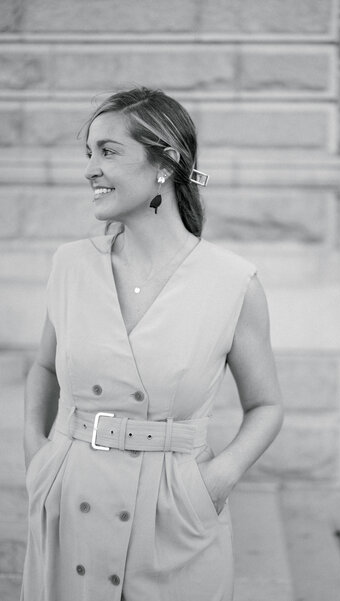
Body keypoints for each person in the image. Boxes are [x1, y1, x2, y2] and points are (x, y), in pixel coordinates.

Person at [21, 86, 284, 601]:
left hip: (175, 518)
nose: (91, 168)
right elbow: (45, 368)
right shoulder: (70, 266)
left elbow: (267, 405)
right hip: (70, 502)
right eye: (89, 153)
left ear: (165, 162)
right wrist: (39, 461)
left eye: (109, 151)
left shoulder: (233, 282)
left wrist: (214, 482)